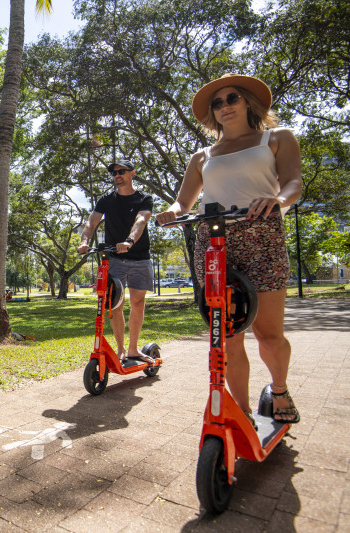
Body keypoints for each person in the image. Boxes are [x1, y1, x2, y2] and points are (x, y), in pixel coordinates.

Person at [155, 73, 302, 424]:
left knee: (268, 332)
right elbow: (183, 203)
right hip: (215, 242)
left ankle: (279, 390)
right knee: (228, 335)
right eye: (217, 103)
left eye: (231, 98)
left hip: (262, 236)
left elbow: (294, 182)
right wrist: (171, 214)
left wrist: (278, 199)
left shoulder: (276, 138)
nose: (224, 106)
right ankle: (244, 412)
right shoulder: (202, 156)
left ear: (248, 101)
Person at [77, 159, 154, 363]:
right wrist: (84, 241)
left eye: (121, 171)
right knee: (115, 304)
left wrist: (129, 241)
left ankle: (133, 349)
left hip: (139, 257)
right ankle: (121, 350)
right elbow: (91, 221)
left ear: (132, 174)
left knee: (138, 303)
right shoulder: (106, 199)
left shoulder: (144, 198)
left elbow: (141, 221)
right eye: (114, 173)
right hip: (115, 259)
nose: (117, 175)